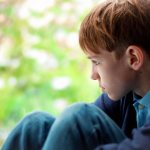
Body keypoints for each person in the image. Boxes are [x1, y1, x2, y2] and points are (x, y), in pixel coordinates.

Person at [2, 0, 150, 149]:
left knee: (80, 117)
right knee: (35, 125)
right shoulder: (127, 93)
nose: (93, 75)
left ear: (133, 58)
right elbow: (71, 131)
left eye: (96, 62)